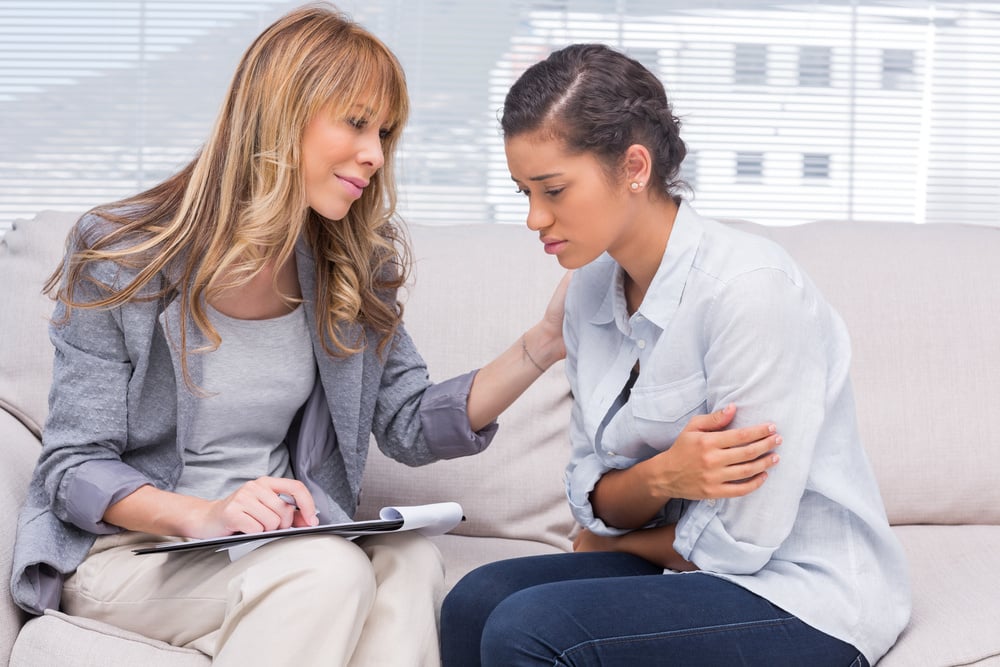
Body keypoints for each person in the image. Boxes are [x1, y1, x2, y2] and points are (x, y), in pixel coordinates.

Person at [8, 6, 571, 666]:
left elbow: (411, 420)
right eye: (357, 123)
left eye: (385, 132)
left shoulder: (346, 267)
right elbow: (73, 467)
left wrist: (541, 344)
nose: (375, 153)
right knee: (327, 570)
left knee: (411, 560)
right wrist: (202, 514)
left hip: (278, 548)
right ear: (282, 114)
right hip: (135, 554)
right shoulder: (123, 258)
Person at [439, 43, 911, 666]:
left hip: (804, 594)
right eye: (524, 190)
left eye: (552, 189)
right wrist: (661, 477)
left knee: (529, 628)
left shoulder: (750, 292)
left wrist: (614, 545)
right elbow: (590, 493)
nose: (534, 218)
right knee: (474, 600)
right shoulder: (587, 292)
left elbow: (741, 542)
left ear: (634, 166)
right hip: (685, 570)